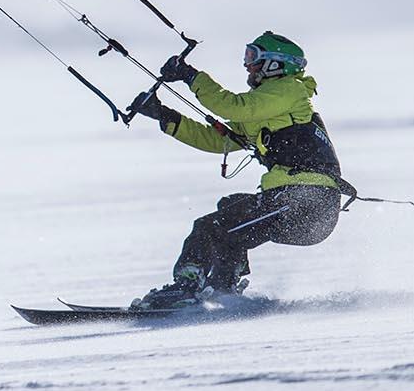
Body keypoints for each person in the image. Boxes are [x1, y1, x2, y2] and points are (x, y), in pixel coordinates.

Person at [123, 31, 346, 310]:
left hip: (307, 204)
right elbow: (219, 140)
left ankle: (186, 287)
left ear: (276, 64)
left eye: (253, 57)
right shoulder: (266, 106)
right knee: (230, 208)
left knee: (211, 226)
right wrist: (165, 116)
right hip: (292, 200)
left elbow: (231, 106)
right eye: (246, 56)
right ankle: (223, 288)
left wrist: (190, 75)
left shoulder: (288, 89)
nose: (246, 65)